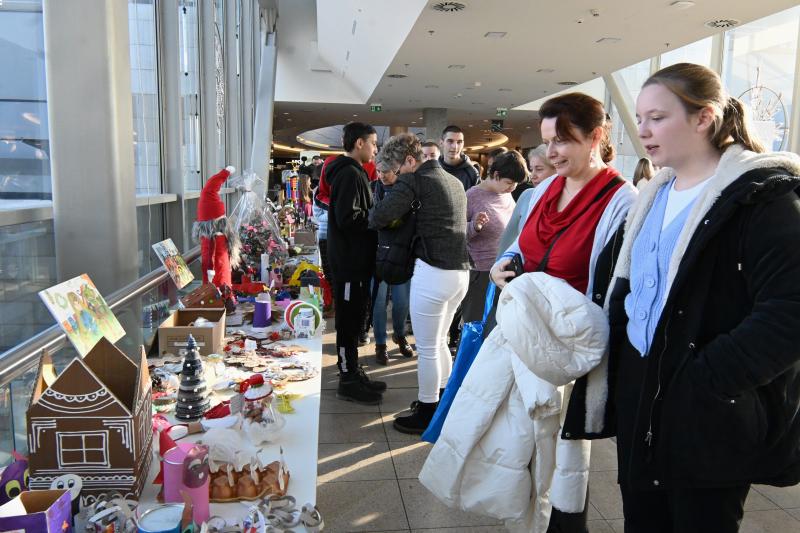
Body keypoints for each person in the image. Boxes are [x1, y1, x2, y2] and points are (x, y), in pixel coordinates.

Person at [608, 62, 800, 533]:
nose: (643, 130)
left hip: (709, 414)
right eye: (639, 118)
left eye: (657, 117)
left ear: (704, 118)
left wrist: (706, 380)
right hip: (641, 404)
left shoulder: (764, 198)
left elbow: (790, 311)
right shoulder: (652, 195)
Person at [490, 92, 636, 532]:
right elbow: (522, 247)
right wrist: (505, 267)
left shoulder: (621, 201)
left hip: (573, 351)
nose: (551, 152)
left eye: (562, 141)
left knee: (566, 456)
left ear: (595, 137)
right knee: (523, 445)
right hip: (525, 338)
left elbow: (612, 287)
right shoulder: (544, 190)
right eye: (547, 141)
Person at [370, 133, 470, 434]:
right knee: (440, 343)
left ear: (410, 161)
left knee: (427, 347)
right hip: (460, 273)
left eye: (398, 170)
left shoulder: (414, 181)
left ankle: (427, 411)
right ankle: (443, 403)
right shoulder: (454, 181)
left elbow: (380, 216)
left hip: (433, 272)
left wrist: (390, 193)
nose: (396, 176)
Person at [326, 122, 385, 405]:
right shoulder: (349, 174)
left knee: (355, 319)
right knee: (349, 322)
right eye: (373, 143)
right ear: (359, 143)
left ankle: (354, 371)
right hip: (349, 264)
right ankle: (347, 378)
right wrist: (378, 217)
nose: (375, 149)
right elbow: (347, 219)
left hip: (356, 263)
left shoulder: (354, 172)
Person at [462, 151, 527, 323]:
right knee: (475, 324)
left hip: (504, 268)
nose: (512, 188)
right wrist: (474, 226)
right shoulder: (472, 196)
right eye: (509, 183)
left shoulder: (505, 194)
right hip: (480, 272)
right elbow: (456, 235)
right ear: (496, 175)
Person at [370, 157, 414, 365]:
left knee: (402, 302)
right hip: (377, 254)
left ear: (398, 169)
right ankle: (380, 342)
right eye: (378, 170)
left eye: (386, 170)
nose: (382, 175)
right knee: (378, 303)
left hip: (402, 254)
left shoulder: (406, 190)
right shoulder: (372, 189)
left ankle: (399, 334)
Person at [438, 125, 480, 190]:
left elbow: (477, 198)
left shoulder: (472, 172)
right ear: (441, 143)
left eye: (459, 142)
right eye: (450, 141)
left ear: (463, 144)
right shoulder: (434, 169)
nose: (455, 146)